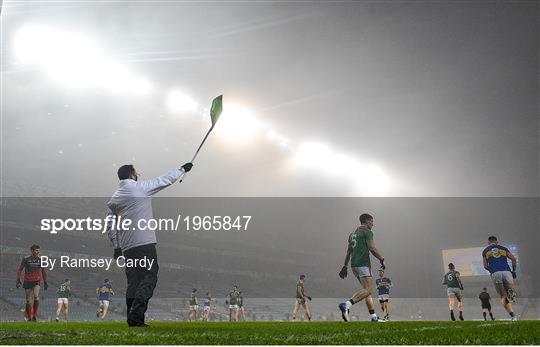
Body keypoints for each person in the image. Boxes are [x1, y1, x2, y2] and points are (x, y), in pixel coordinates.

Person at [106, 162, 193, 327]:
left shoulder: (114, 199)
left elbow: (110, 226)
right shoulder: (139, 188)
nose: (139, 173)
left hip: (127, 247)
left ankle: (132, 318)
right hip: (144, 242)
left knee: (133, 282)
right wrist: (182, 170)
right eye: (136, 171)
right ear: (131, 174)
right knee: (149, 276)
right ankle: (136, 315)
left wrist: (116, 246)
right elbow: (163, 180)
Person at [338, 213, 386, 322]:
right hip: (363, 264)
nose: (373, 224)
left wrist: (344, 266)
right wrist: (381, 259)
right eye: (372, 221)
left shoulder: (352, 234)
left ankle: (373, 317)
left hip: (353, 265)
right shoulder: (367, 232)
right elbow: (372, 248)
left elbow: (348, 252)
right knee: (369, 290)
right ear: (367, 221)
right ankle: (346, 304)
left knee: (366, 291)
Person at [482, 236, 518, 321]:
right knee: (511, 292)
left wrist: (491, 270)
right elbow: (513, 259)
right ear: (497, 241)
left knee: (502, 296)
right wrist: (513, 271)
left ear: (488, 242)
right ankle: (511, 292)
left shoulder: (485, 251)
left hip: (495, 273)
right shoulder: (503, 248)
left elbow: (485, 266)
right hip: (506, 271)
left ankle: (513, 316)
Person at [16, 244, 48, 322]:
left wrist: (45, 282)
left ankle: (34, 316)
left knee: (36, 296)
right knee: (28, 301)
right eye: (36, 250)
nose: (37, 252)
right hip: (27, 281)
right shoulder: (26, 259)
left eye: (38, 251)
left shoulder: (40, 259)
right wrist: (18, 279)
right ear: (32, 251)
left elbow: (43, 271)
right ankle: (29, 317)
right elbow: (20, 269)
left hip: (36, 281)